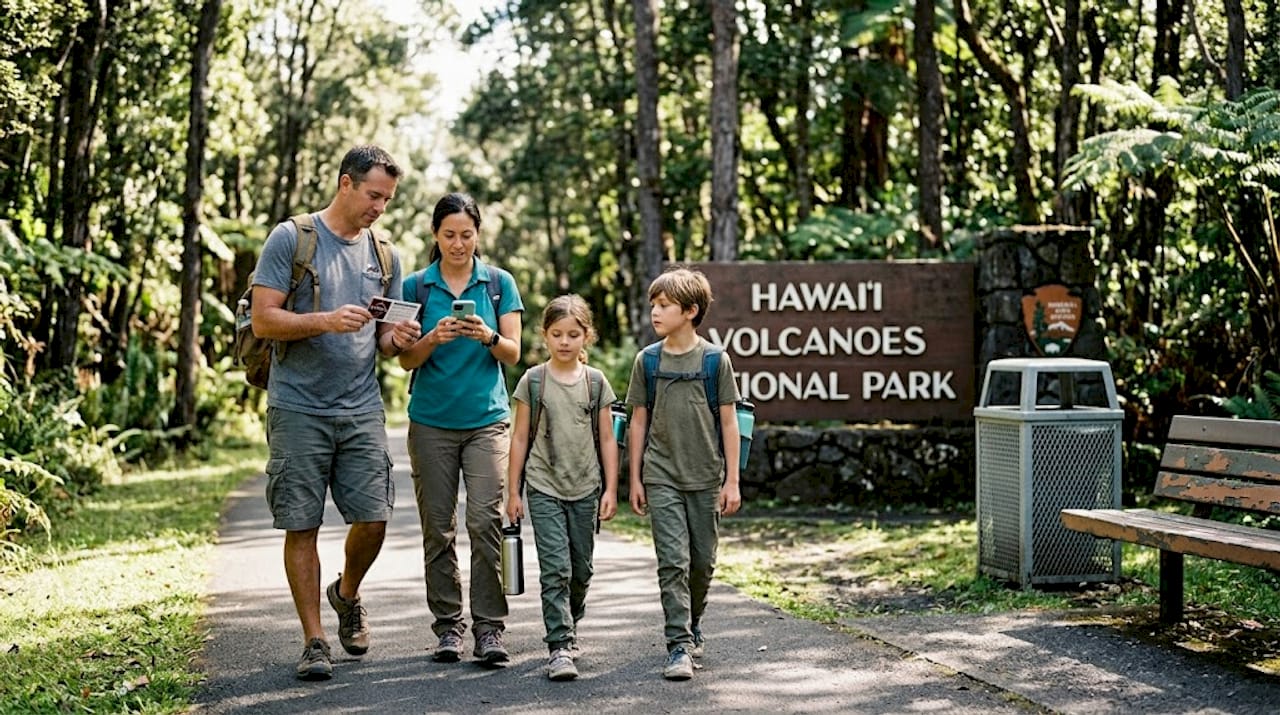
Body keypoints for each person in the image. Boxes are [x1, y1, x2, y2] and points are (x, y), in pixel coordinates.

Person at [250, 144, 420, 681]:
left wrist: (399, 338)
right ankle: (314, 640)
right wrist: (324, 320)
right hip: (298, 406)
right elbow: (263, 320)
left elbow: (385, 341)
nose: (379, 208)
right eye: (373, 195)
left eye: (387, 200)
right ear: (346, 183)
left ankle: (346, 593)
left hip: (361, 405)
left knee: (375, 516)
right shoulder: (291, 238)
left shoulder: (385, 254)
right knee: (301, 522)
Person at [397, 192, 524, 665]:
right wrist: (433, 337)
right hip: (431, 421)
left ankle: (489, 629)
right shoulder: (416, 286)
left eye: (466, 235)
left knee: (485, 522)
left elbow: (514, 352)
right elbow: (404, 359)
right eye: (449, 235)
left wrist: (487, 336)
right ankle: (448, 627)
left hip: (487, 422)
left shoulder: (499, 283)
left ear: (477, 234)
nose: (458, 243)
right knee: (438, 527)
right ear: (435, 234)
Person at [625, 266, 742, 681]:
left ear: (690, 311)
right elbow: (638, 421)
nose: (655, 312)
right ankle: (678, 645)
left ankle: (692, 624)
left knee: (702, 563)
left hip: (706, 476)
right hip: (661, 475)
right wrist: (635, 478)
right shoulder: (647, 361)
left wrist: (732, 480)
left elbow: (729, 422)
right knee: (672, 562)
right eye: (653, 305)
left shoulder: (715, 360)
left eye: (664, 305)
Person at [506, 295, 619, 681]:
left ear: (586, 336)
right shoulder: (533, 381)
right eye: (557, 334)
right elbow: (520, 438)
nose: (565, 342)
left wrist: (610, 489)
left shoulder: (595, 382)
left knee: (580, 571)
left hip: (586, 487)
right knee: (555, 569)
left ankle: (570, 622)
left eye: (573, 334)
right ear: (545, 335)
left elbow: (608, 439)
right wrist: (513, 492)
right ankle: (559, 645)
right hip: (544, 486)